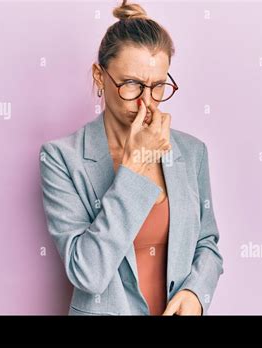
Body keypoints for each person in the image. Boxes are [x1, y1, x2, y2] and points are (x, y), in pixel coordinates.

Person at [39, 0, 223, 315]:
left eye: (158, 86)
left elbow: (207, 243)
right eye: (131, 85)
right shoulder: (61, 158)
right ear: (100, 77)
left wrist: (196, 293)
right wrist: (135, 167)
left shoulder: (192, 153)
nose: (146, 103)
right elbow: (88, 273)